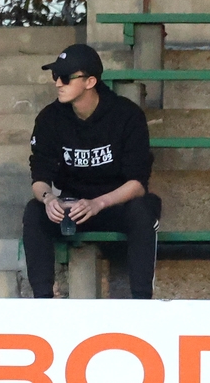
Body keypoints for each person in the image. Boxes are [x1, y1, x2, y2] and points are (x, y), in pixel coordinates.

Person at [22, 43, 161, 299]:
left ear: (90, 81)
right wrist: (48, 198)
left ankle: (142, 302)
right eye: (55, 77)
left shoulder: (126, 116)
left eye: (65, 77)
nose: (57, 84)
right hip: (72, 207)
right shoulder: (50, 118)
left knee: (143, 210)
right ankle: (41, 301)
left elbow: (137, 183)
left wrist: (98, 203)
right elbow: (39, 176)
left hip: (114, 203)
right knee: (34, 212)